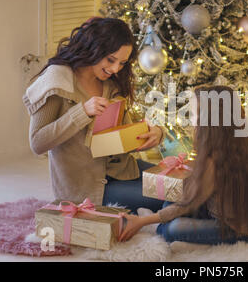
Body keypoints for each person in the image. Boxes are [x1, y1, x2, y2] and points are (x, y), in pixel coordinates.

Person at [23, 17, 164, 212]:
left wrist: (155, 133)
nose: (115, 69)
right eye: (110, 60)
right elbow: (37, 143)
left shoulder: (112, 83)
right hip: (89, 188)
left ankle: (174, 222)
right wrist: (82, 112)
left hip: (122, 169)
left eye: (122, 63)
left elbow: (123, 137)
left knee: (184, 186)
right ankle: (169, 227)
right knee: (168, 196)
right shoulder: (58, 79)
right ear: (93, 47)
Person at [119, 85, 248, 245]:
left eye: (192, 114)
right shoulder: (235, 144)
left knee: (172, 229)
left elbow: (186, 205)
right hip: (216, 209)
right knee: (174, 196)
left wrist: (143, 221)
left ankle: (158, 224)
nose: (189, 119)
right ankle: (159, 220)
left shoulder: (213, 160)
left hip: (235, 228)